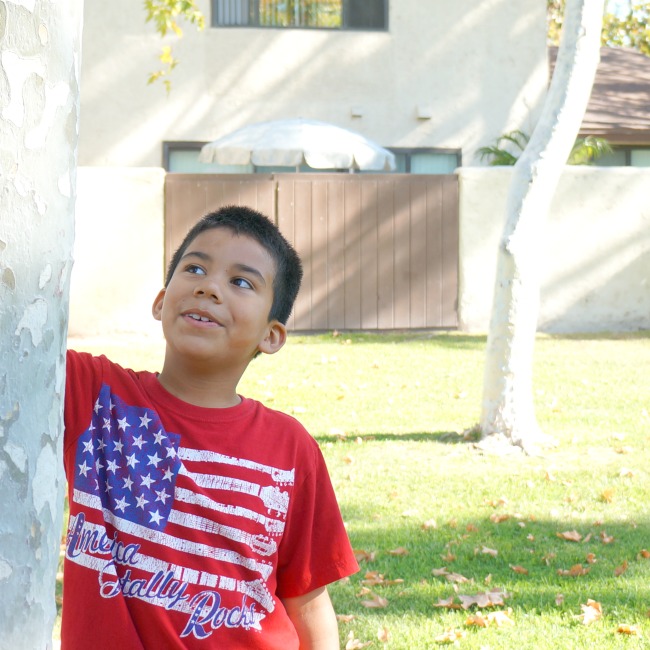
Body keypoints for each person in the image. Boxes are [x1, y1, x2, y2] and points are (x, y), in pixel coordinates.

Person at [62, 205, 359, 649]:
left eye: (241, 282)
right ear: (162, 301)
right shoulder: (93, 395)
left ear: (271, 335)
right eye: (195, 267)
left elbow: (309, 602)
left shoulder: (291, 447)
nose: (209, 287)